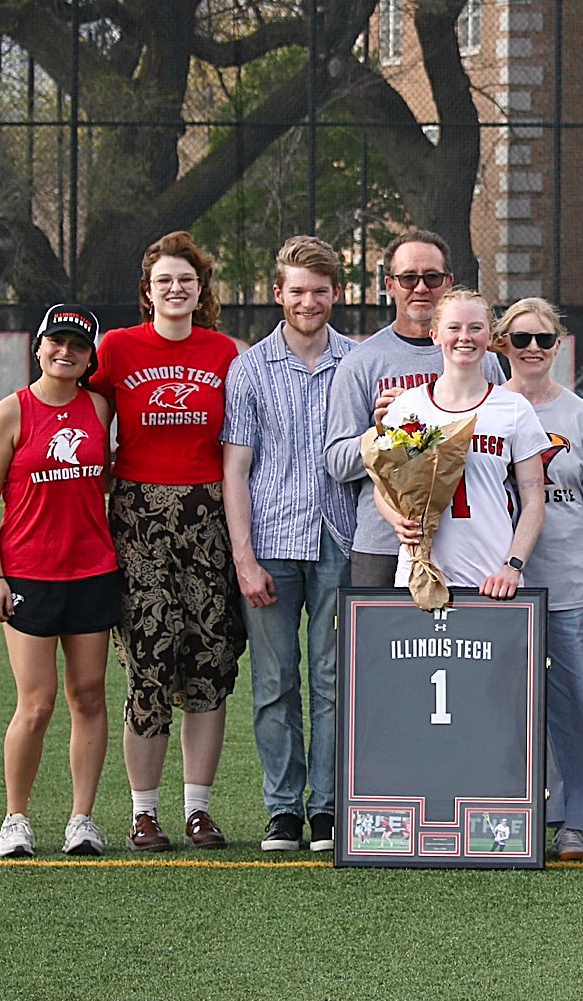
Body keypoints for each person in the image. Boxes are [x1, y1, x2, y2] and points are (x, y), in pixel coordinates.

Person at [89, 230, 247, 852]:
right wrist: (10, 416)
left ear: (201, 288)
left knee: (209, 663)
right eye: (164, 281)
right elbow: (77, 413)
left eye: (186, 279)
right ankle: (143, 813)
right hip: (139, 520)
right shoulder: (120, 348)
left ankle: (198, 810)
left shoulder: (226, 353)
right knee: (148, 666)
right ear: (148, 291)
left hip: (207, 518)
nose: (175, 289)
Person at [221, 236, 358, 853]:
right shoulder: (249, 369)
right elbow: (236, 469)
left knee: (334, 680)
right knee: (275, 682)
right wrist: (244, 559)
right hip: (272, 542)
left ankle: (328, 807)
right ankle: (283, 808)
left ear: (336, 294)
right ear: (278, 294)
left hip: (339, 539)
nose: (309, 302)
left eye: (320, 291)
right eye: (297, 291)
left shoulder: (356, 363)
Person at [0, 304, 118, 858]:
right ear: (38, 347)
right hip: (29, 574)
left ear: (89, 358)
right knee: (36, 704)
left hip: (93, 571)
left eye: (78, 346)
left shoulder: (100, 408)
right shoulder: (11, 413)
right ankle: (16, 818)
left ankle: (82, 819)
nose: (66, 352)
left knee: (88, 696)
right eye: (56, 342)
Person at [495, 297, 583, 861]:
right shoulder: (485, 410)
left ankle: (574, 820)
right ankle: (504, 812)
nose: (534, 349)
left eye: (545, 339)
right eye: (521, 339)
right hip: (496, 582)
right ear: (502, 345)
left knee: (572, 706)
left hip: (568, 581)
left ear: (560, 345)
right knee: (501, 703)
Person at [324, 231, 505, 588]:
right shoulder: (362, 363)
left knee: (468, 645)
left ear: (449, 283)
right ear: (390, 285)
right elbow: (337, 462)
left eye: (432, 277)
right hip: (386, 542)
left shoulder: (482, 362)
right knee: (379, 645)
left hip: (470, 541)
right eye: (409, 278)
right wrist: (384, 435)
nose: (420, 287)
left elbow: (507, 450)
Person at [373, 288, 549, 597]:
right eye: (454, 328)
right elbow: (383, 488)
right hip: (421, 574)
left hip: (491, 578)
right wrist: (397, 520)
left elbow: (534, 501)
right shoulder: (408, 407)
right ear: (435, 335)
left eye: (475, 328)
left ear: (490, 336)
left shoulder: (514, 408)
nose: (464, 337)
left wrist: (512, 566)